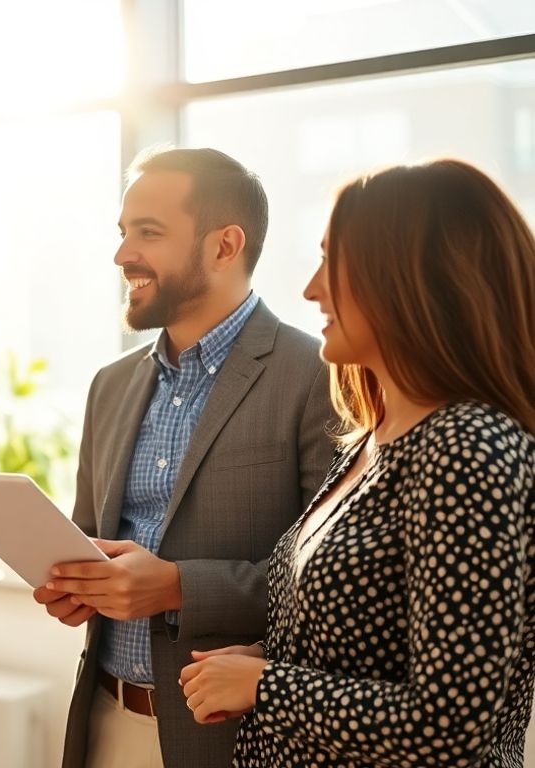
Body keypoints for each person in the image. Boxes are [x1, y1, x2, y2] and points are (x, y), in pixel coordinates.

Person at [179, 159, 535, 767]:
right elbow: (366, 638)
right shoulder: (373, 440)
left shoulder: (466, 449)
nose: (312, 288)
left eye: (330, 260)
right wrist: (264, 661)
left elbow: (449, 723)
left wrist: (266, 687)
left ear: (410, 278)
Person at [31, 147, 336, 768]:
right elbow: (88, 536)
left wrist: (175, 588)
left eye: (148, 233)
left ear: (225, 246)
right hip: (106, 722)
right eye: (123, 232)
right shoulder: (109, 386)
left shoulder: (317, 377)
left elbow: (328, 589)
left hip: (232, 739)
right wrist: (75, 585)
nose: (122, 255)